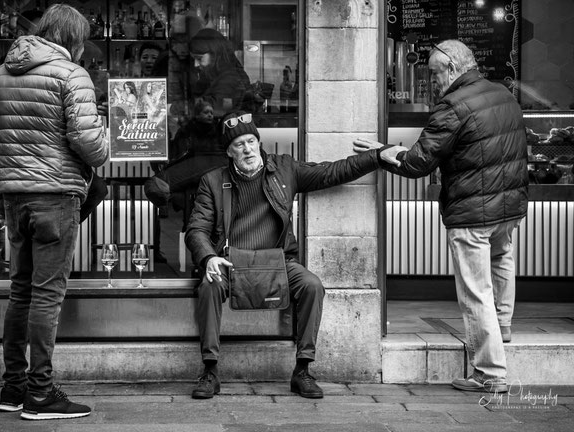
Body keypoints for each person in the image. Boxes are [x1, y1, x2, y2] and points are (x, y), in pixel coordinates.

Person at [184, 110, 405, 399]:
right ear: (229, 151)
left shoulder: (284, 170)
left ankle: (302, 370)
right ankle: (210, 371)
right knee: (209, 286)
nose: (248, 149)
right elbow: (196, 229)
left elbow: (330, 171)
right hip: (230, 264)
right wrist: (208, 257)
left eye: (251, 141)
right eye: (239, 144)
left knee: (312, 285)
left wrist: (376, 157)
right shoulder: (213, 182)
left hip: (278, 262)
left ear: (259, 141)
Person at [354, 40, 528, 394]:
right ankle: (503, 327)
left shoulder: (452, 105)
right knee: (502, 260)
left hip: (471, 211)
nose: (431, 81)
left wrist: (383, 153)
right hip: (508, 206)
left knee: (475, 291)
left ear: (451, 68)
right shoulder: (503, 94)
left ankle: (490, 374)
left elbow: (419, 163)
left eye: (434, 73)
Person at [0, 4, 108, 420]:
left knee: (20, 292)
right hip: (55, 195)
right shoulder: (71, 75)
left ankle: (12, 388)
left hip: (14, 197)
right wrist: (104, 136)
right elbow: (91, 146)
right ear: (73, 39)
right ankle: (39, 393)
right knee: (47, 296)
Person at [189, 28, 254, 118]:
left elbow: (216, 110)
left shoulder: (229, 79)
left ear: (214, 54)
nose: (195, 64)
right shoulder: (213, 74)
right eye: (194, 59)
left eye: (199, 59)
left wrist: (175, 108)